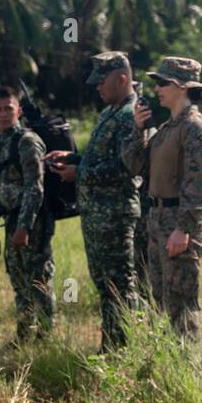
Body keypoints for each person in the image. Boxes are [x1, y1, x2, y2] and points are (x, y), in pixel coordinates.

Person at [44, 51, 141, 352]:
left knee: (121, 285)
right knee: (105, 285)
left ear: (121, 79)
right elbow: (102, 159)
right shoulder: (110, 112)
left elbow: (126, 169)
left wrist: (80, 172)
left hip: (115, 215)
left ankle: (125, 350)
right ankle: (110, 347)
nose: (97, 87)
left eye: (102, 81)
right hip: (98, 215)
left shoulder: (130, 116)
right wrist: (72, 157)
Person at [121, 57, 202, 341]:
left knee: (181, 306)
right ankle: (167, 369)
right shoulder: (168, 128)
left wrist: (183, 228)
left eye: (163, 82)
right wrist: (138, 130)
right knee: (160, 301)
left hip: (178, 223)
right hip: (159, 219)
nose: (157, 88)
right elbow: (135, 165)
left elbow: (199, 183)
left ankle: (189, 371)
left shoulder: (195, 128)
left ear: (183, 87)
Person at [0, 85, 54, 341]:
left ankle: (45, 338)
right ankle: (24, 337)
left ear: (19, 111)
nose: (3, 114)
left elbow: (35, 186)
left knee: (39, 281)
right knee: (19, 283)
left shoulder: (27, 141)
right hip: (11, 221)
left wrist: (24, 226)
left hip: (32, 223)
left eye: (8, 109)